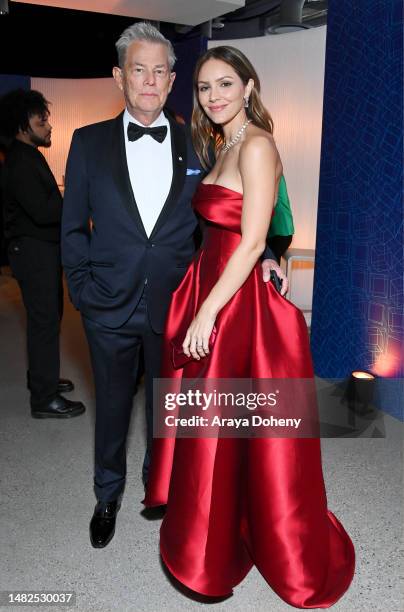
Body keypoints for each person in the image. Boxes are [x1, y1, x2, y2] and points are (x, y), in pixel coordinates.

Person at [143, 46, 355, 607]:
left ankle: (209, 554)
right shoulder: (224, 143)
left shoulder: (256, 144)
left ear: (249, 87)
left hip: (232, 304)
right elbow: (260, 222)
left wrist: (209, 310)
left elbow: (255, 237)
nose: (214, 96)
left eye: (225, 84)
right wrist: (257, 262)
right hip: (214, 282)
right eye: (205, 87)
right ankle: (212, 533)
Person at [61, 22, 285, 549]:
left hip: (179, 302)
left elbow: (233, 210)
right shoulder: (88, 142)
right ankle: (107, 495)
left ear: (171, 79)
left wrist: (270, 252)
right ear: (120, 77)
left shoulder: (201, 139)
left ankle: (156, 487)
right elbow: (71, 228)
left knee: (170, 407)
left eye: (161, 70)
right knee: (112, 406)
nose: (149, 80)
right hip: (107, 305)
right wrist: (83, 292)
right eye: (139, 69)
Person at [0, 89, 85, 419]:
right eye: (42, 120)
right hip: (34, 253)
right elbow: (43, 211)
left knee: (46, 321)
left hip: (37, 251)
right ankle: (44, 399)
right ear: (23, 126)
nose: (49, 126)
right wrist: (76, 198)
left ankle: (42, 380)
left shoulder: (26, 155)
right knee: (44, 323)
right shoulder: (21, 162)